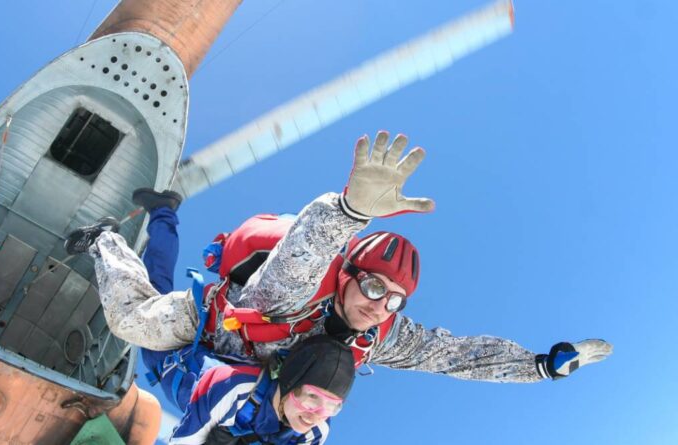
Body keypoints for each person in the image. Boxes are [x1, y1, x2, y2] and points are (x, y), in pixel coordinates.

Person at [66, 131, 611, 387]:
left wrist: (541, 365)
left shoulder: (383, 334)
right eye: (374, 288)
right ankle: (104, 240)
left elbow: (458, 354)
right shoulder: (298, 285)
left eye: (394, 299)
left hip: (246, 363)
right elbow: (307, 246)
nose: (381, 306)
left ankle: (163, 215)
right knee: (132, 320)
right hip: (212, 320)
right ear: (347, 276)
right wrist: (350, 210)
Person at [168, 335, 355, 445]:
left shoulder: (316, 431)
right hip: (176, 369)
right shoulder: (237, 387)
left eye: (332, 406)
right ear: (290, 383)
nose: (315, 416)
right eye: (312, 397)